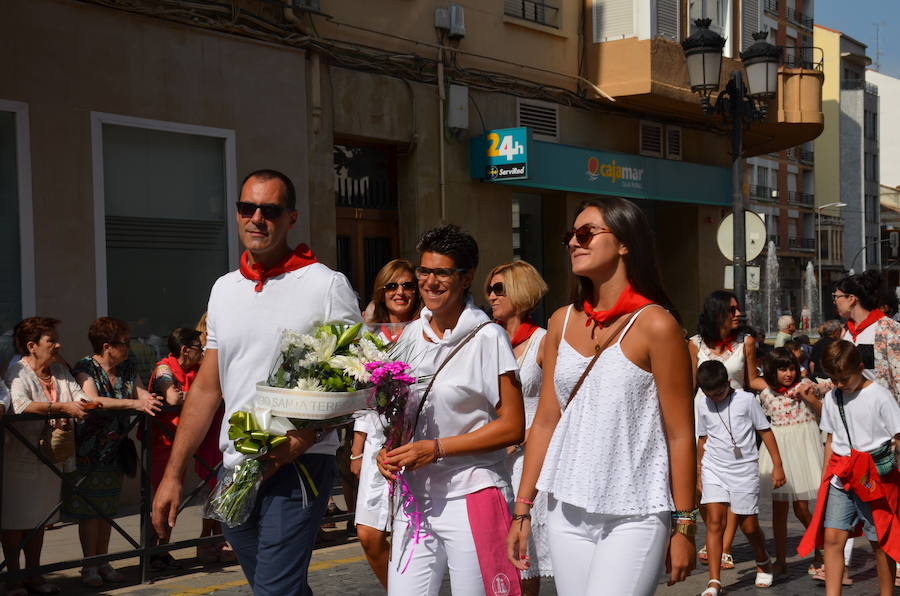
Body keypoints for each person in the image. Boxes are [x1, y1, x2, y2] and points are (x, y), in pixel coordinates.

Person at [152, 169, 361, 596]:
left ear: (291, 218)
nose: (257, 218)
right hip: (234, 468)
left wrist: (302, 439)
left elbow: (357, 378)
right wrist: (173, 475)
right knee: (278, 587)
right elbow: (207, 389)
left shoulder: (325, 284)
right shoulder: (224, 290)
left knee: (275, 589)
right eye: (247, 208)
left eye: (270, 210)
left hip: (299, 464)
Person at [508, 198, 696, 595]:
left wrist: (684, 524)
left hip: (636, 509)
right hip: (566, 504)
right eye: (570, 236)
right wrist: (522, 509)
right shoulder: (560, 322)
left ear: (625, 243)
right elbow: (545, 420)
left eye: (586, 233)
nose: (574, 243)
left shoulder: (657, 325)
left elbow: (680, 433)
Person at [376, 225, 525, 595]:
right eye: (423, 272)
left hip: (471, 494)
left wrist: (438, 448)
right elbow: (401, 410)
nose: (429, 282)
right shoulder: (411, 335)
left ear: (466, 277)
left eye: (441, 273)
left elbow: (513, 427)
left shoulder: (487, 337)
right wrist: (388, 449)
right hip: (414, 499)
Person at [798, 340, 900, 596]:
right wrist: (825, 478)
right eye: (834, 379)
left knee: (880, 541)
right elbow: (831, 439)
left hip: (874, 476)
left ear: (861, 368)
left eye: (844, 379)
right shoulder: (833, 396)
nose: (840, 384)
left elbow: (898, 436)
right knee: (832, 538)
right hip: (841, 477)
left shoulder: (879, 395)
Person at [67, 317, 162, 587]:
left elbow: (141, 392)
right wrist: (133, 402)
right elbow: (92, 399)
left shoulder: (128, 367)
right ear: (107, 346)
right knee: (90, 511)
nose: (129, 347)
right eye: (125, 342)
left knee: (107, 509)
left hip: (115, 448)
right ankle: (89, 566)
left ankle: (103, 561)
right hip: (89, 449)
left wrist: (147, 399)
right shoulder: (85, 367)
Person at [2, 317, 91, 596]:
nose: (57, 344)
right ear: (32, 346)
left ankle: (35, 573)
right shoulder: (18, 371)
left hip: (49, 458)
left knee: (39, 519)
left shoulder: (59, 372)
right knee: (15, 520)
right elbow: (19, 405)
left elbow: (79, 397)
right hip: (21, 456)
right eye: (50, 340)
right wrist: (62, 408)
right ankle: (14, 577)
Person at [350, 258, 420, 587]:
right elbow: (364, 398)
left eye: (408, 285)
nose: (400, 292)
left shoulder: (427, 332)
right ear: (381, 292)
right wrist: (356, 448)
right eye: (392, 286)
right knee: (368, 535)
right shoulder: (370, 338)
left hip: (415, 443)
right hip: (376, 445)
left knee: (411, 537)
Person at [486, 260, 551, 595]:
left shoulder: (543, 342)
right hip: (487, 458)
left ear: (521, 292)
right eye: (490, 289)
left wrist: (517, 440)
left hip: (526, 461)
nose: (492, 296)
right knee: (494, 557)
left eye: (500, 289)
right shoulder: (486, 340)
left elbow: (555, 409)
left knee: (525, 562)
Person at [689, 290, 767, 570]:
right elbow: (689, 385)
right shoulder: (694, 344)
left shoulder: (745, 341)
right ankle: (715, 532)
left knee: (734, 486)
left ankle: (724, 545)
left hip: (737, 419)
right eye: (732, 309)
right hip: (704, 416)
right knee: (703, 487)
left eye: (738, 309)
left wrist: (778, 391)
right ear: (717, 312)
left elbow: (752, 379)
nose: (738, 314)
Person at [696, 360, 785, 596]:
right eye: (709, 394)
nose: (715, 398)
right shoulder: (703, 403)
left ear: (728, 383)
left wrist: (778, 465)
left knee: (749, 526)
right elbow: (703, 438)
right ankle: (714, 581)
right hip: (713, 466)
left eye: (719, 393)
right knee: (715, 521)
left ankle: (763, 559)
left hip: (744, 468)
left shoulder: (746, 400)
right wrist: (699, 471)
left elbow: (764, 430)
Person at [756, 348, 824, 575]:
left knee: (802, 507)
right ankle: (781, 559)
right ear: (771, 370)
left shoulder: (805, 386)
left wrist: (809, 397)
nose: (788, 373)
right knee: (779, 509)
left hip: (802, 447)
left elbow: (821, 412)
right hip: (780, 450)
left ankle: (820, 546)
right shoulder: (765, 394)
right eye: (782, 369)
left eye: (791, 368)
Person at [146, 327, 204, 570]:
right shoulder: (164, 368)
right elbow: (171, 398)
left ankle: (162, 548)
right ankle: (154, 551)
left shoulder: (195, 370)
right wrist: (198, 395)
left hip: (181, 441)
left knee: (174, 499)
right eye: (199, 348)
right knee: (162, 496)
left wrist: (188, 395)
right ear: (185, 350)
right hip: (163, 443)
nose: (202, 352)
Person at [832, 271, 900, 400]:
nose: (835, 301)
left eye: (836, 297)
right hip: (852, 405)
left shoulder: (889, 329)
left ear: (851, 299)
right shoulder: (846, 331)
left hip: (881, 408)